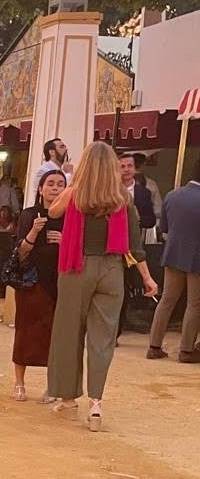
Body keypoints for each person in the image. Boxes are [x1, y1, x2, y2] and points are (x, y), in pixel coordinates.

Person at [45, 142, 157, 429]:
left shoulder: (75, 194)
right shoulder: (122, 199)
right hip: (112, 270)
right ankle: (95, 404)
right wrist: (146, 277)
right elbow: (135, 245)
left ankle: (68, 399)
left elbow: (53, 212)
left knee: (68, 332)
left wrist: (71, 185)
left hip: (76, 267)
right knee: (102, 338)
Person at [10, 169, 66, 401]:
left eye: (60, 184)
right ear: (41, 188)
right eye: (50, 183)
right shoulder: (28, 214)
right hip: (32, 281)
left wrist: (65, 242)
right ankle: (19, 383)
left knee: (56, 335)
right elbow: (21, 253)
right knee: (26, 331)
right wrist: (34, 231)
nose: (55, 188)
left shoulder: (70, 216)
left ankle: (52, 385)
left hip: (60, 281)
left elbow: (80, 251)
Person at [146, 174, 200, 363]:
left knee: (167, 300)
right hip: (197, 257)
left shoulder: (172, 195)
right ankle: (186, 349)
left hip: (173, 253)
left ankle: (154, 345)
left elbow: (164, 228)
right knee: (195, 304)